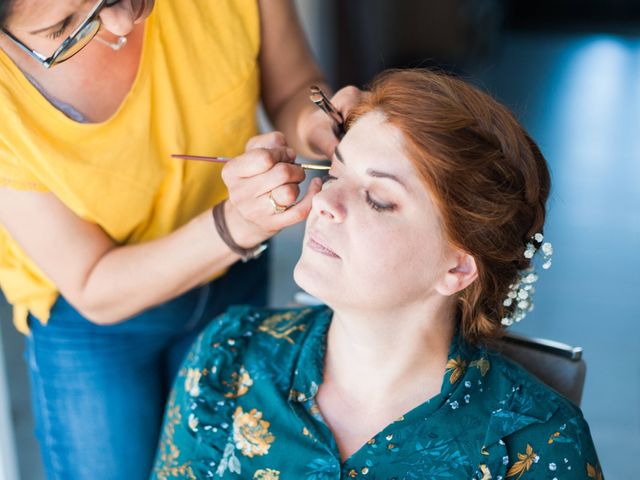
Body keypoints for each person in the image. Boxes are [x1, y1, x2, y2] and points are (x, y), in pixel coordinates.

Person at [152, 69, 603, 480]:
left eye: (378, 199)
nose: (324, 201)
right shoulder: (229, 355)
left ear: (458, 266)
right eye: (334, 171)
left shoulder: (538, 444)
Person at [0, 0, 360, 478]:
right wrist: (236, 226)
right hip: (96, 325)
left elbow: (295, 87)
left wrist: (315, 126)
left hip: (234, 279)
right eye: (63, 28)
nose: (123, 23)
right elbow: (93, 286)